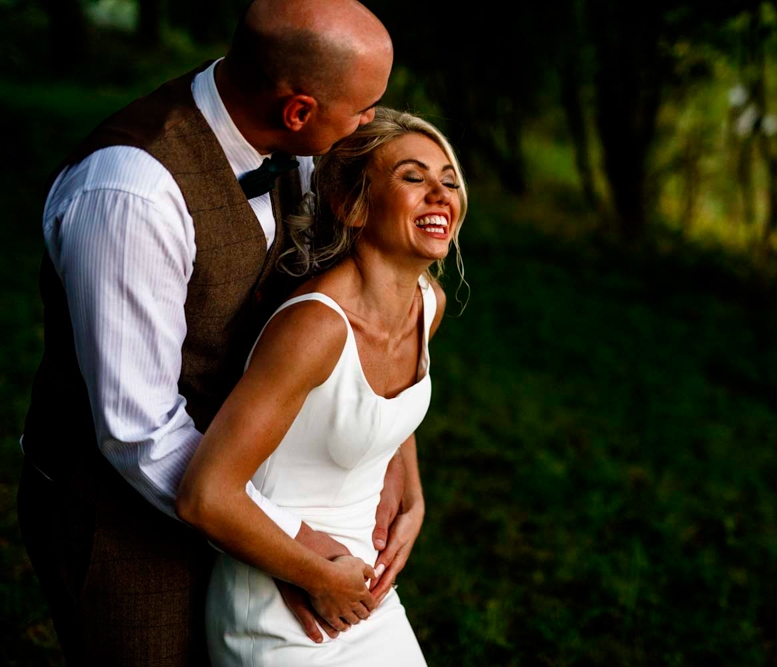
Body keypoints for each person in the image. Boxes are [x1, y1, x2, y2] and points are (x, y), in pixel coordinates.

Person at [16, 1, 418, 664]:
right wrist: (288, 547)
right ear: (298, 109)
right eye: (362, 108)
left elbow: (345, 298)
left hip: (247, 490)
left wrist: (393, 445)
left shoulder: (298, 146)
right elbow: (137, 433)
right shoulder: (130, 195)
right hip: (124, 520)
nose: (371, 120)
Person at [175, 107, 467, 666]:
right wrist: (312, 574)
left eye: (448, 180)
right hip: (281, 603)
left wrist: (413, 490)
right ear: (352, 204)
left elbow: (379, 404)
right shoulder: (314, 327)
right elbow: (205, 495)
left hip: (365, 592)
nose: (440, 194)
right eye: (413, 177)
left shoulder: (427, 305)